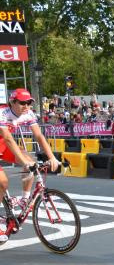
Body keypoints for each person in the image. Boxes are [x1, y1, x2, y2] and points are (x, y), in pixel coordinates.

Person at [0, 89, 60, 242]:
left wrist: (52, 157)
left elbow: (39, 136)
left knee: (31, 163)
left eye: (29, 102)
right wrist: (24, 161)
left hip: (3, 145)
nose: (26, 106)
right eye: (22, 103)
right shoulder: (3, 113)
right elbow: (7, 138)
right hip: (5, 142)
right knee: (2, 182)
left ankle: (25, 199)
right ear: (12, 102)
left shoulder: (28, 113)